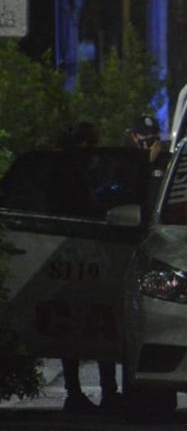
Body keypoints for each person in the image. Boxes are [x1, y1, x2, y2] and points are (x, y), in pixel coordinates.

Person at [52, 121, 124, 413]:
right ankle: (106, 392)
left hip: (64, 255)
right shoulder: (78, 170)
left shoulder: (59, 169)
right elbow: (89, 206)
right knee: (101, 322)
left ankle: (78, 392)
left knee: (72, 324)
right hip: (89, 252)